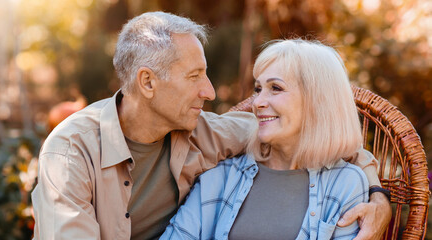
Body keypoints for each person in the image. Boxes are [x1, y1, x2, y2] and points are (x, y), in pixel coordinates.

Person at [31, 12, 390, 240]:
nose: (211, 91)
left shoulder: (208, 132)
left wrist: (378, 196)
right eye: (194, 77)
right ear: (148, 82)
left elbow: (322, 138)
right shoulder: (70, 153)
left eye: (275, 88)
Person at [160, 39, 390, 240]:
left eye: (276, 88)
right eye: (258, 89)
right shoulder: (221, 176)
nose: (257, 102)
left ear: (317, 101)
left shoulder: (346, 183)